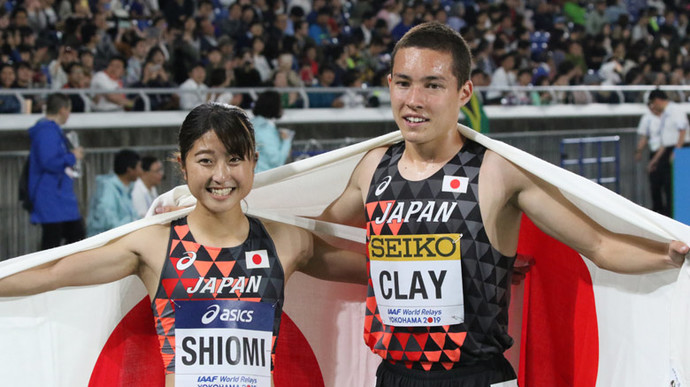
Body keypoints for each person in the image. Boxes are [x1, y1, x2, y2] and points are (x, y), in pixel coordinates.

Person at [316, 22, 690, 386]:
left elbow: (600, 244)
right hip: (393, 375)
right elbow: (313, 241)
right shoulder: (372, 169)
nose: (414, 100)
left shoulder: (497, 172)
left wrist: (671, 255)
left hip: (476, 376)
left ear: (464, 92)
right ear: (390, 85)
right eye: (403, 83)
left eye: (433, 85)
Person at [0, 103, 366, 387]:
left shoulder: (286, 242)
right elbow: (54, 272)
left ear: (254, 163)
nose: (221, 175)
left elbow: (377, 272)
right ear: (183, 166)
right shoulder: (155, 246)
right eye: (206, 161)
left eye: (235, 159)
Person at [27, 93, 86, 250]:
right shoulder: (47, 132)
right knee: (56, 243)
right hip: (51, 197)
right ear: (62, 110)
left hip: (58, 197)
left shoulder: (51, 131)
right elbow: (49, 162)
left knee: (69, 240)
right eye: (69, 110)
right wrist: (72, 157)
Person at [635, 89, 690, 217]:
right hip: (667, 150)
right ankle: (667, 213)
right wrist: (654, 161)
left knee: (673, 186)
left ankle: (675, 214)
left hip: (678, 149)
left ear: (658, 100)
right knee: (665, 184)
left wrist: (677, 150)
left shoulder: (675, 110)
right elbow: (665, 142)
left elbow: (682, 130)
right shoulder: (665, 114)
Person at [86, 149, 142, 236]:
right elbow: (109, 223)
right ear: (129, 170)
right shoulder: (107, 189)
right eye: (139, 167)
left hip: (121, 236)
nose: (141, 171)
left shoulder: (126, 188)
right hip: (103, 242)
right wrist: (133, 224)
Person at [251, 90, 294, 173]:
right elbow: (277, 161)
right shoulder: (264, 129)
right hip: (263, 178)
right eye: (280, 104)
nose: (282, 108)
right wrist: (286, 141)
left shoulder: (252, 123)